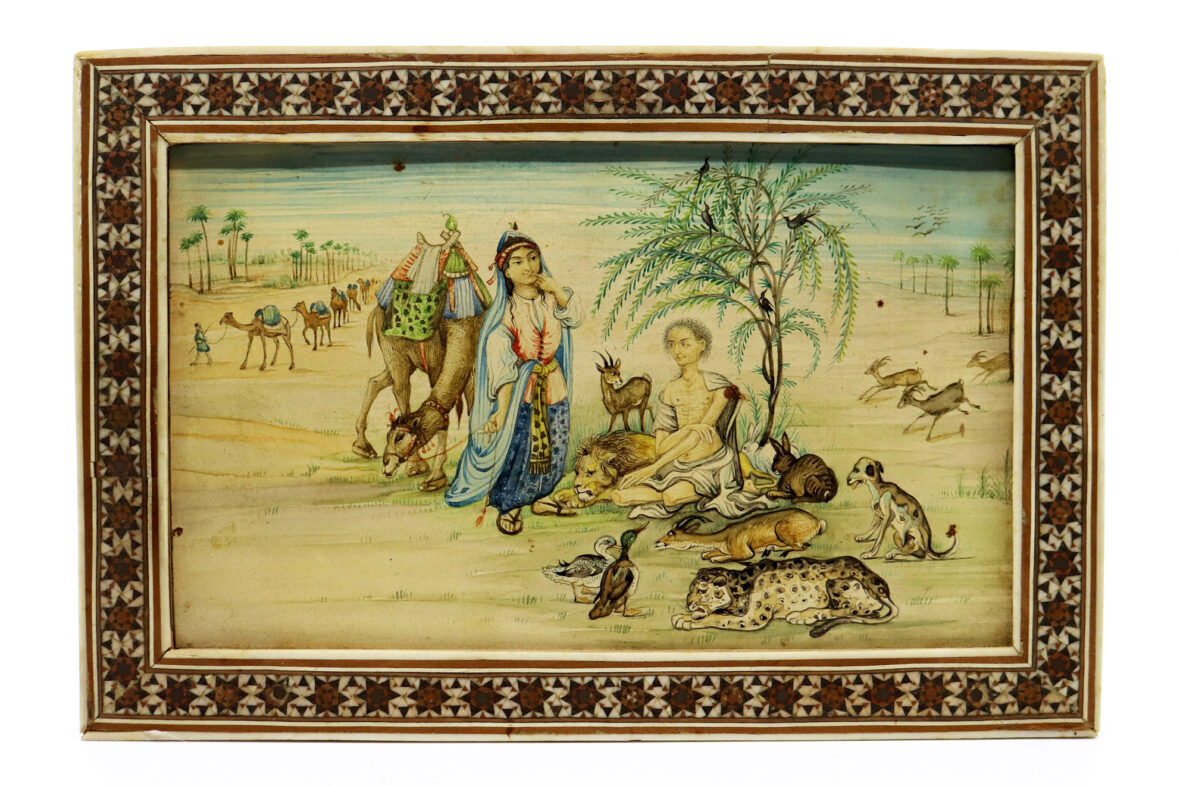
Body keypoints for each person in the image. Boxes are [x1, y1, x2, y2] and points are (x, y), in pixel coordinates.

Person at [445, 228, 583, 535]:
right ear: (505, 272)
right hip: (524, 393)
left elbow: (574, 318)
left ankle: (541, 498)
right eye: (518, 262)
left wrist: (556, 289)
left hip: (554, 385)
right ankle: (511, 505)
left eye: (533, 258)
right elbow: (504, 367)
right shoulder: (505, 313)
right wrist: (501, 409)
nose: (528, 267)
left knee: (555, 447)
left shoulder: (552, 299)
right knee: (522, 452)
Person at [611, 318, 773, 519]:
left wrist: (653, 467)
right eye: (672, 344)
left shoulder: (719, 387)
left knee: (670, 497)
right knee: (619, 497)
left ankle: (672, 495)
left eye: (684, 344)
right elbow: (661, 447)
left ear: (701, 345)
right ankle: (664, 493)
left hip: (710, 465)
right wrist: (688, 428)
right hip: (676, 465)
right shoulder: (669, 391)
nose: (677, 350)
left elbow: (700, 435)